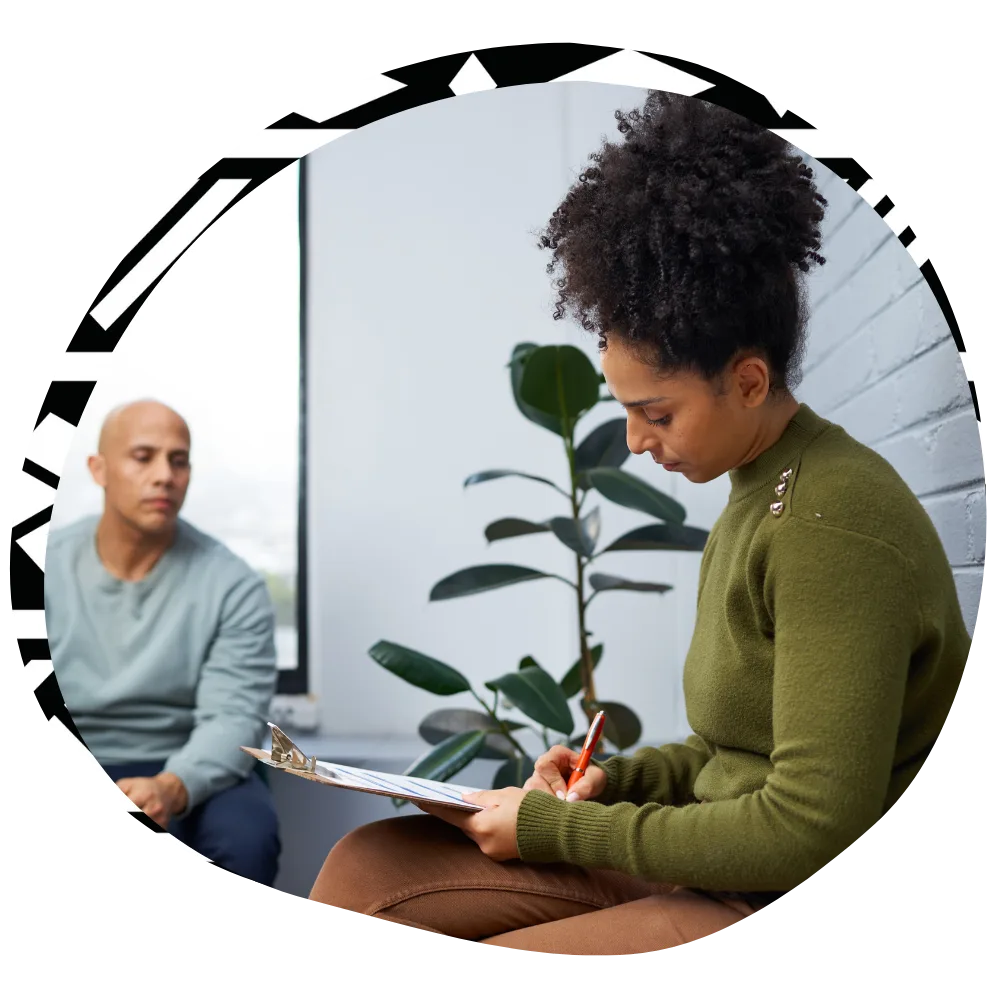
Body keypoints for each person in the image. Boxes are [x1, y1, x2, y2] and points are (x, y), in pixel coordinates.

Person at [307, 90, 973, 953]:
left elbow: (809, 830)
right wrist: (611, 783)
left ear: (748, 381)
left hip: (773, 884)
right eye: (625, 411)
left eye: (656, 413)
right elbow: (729, 755)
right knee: (368, 867)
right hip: (722, 857)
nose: (633, 440)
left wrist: (556, 830)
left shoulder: (829, 522)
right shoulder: (758, 488)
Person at [44, 399, 282, 888]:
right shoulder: (45, 565)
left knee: (247, 835)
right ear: (98, 469)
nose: (164, 476)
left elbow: (233, 717)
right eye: (143, 457)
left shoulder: (233, 585)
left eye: (179, 461)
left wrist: (170, 788)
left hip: (185, 760)